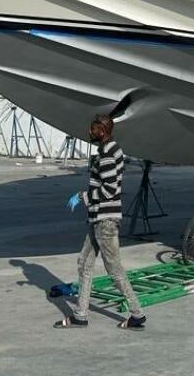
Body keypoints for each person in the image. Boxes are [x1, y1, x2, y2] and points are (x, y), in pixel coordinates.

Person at [54, 114, 147, 331]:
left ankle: (137, 314)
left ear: (102, 131)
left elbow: (109, 189)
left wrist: (83, 196)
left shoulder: (106, 154)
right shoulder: (112, 150)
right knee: (84, 263)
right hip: (98, 219)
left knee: (114, 269)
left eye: (92, 129)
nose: (89, 132)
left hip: (105, 220)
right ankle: (80, 315)